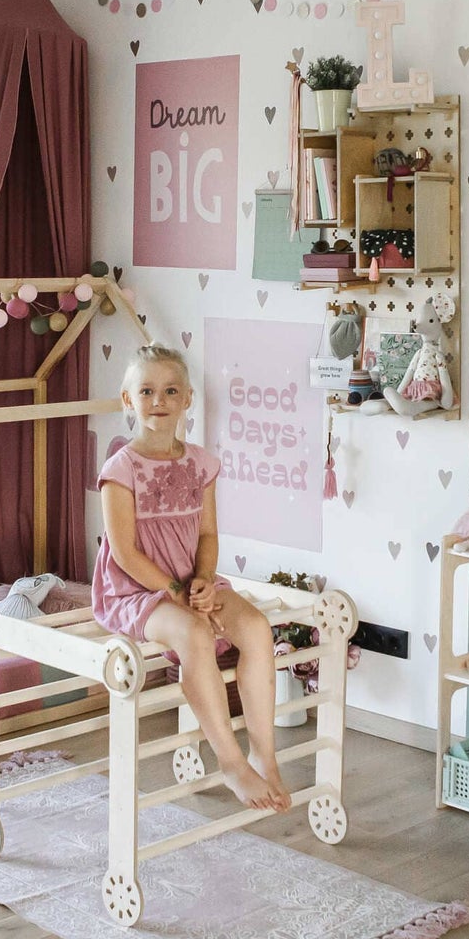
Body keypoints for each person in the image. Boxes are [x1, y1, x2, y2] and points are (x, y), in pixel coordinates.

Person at [93, 344, 290, 812]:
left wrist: (202, 579)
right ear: (128, 401)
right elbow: (124, 551)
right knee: (195, 635)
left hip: (188, 578)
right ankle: (230, 761)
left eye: (170, 390)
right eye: (146, 391)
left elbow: (207, 534)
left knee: (258, 630)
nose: (158, 400)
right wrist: (178, 593)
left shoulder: (200, 464)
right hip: (137, 588)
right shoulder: (120, 469)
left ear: (187, 400)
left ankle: (264, 753)